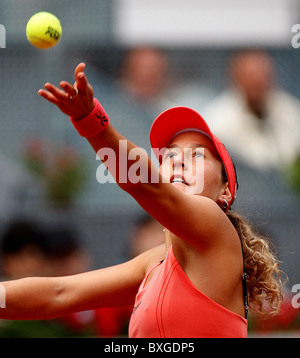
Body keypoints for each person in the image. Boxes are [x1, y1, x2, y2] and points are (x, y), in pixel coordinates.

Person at [0, 63, 284, 338]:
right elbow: (58, 294)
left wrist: (91, 120)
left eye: (197, 155)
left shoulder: (216, 228)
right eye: (170, 156)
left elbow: (146, 185)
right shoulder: (154, 263)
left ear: (225, 191)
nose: (178, 162)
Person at [203, 49, 300, 171]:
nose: (257, 81)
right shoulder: (217, 121)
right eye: (250, 76)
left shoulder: (290, 111)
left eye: (262, 74)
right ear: (234, 78)